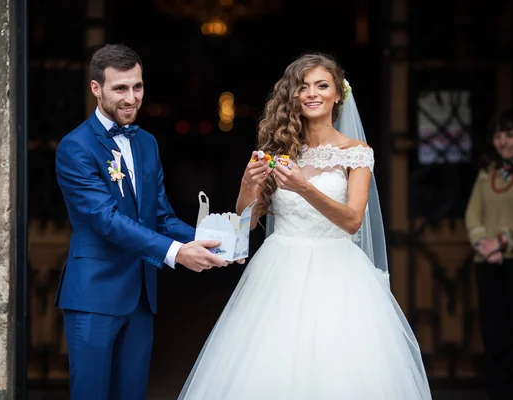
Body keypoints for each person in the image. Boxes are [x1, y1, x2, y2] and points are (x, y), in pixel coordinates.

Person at [178, 53, 432, 399]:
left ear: (338, 94)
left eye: (322, 85)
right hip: (277, 271)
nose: (312, 93)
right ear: (294, 95)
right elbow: (248, 222)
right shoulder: (280, 149)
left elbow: (352, 220)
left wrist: (303, 188)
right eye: (303, 86)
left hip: (338, 273)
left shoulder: (356, 153)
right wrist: (246, 185)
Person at [55, 43, 233, 400]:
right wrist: (177, 252)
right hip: (94, 296)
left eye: (137, 87)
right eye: (120, 88)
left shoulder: (147, 143)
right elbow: (107, 220)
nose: (131, 97)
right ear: (96, 89)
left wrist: (217, 240)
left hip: (140, 298)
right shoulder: (75, 147)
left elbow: (160, 215)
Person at [465, 109, 513, 400]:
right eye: (498, 135)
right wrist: (483, 243)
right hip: (487, 261)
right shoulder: (488, 172)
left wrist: (505, 240)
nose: (503, 141)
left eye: (510, 134)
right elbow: (472, 214)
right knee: (493, 334)